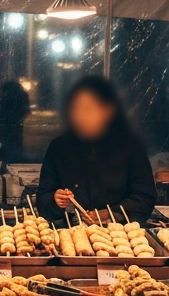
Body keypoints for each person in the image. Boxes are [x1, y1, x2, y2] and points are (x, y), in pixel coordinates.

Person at [36, 75, 156, 224]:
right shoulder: (59, 147)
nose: (80, 116)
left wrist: (109, 215)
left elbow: (144, 198)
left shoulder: (131, 147)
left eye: (88, 109)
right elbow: (43, 199)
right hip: (70, 234)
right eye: (76, 109)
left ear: (108, 110)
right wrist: (55, 200)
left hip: (119, 236)